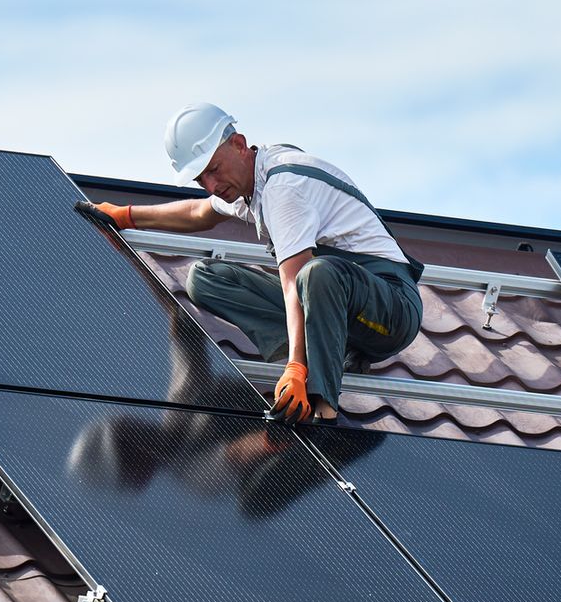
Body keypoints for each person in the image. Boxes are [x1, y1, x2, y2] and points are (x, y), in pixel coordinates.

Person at [81, 104, 424, 423]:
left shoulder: (283, 187)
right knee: (204, 279)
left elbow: (293, 283)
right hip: (336, 304)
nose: (212, 186)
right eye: (201, 179)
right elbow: (198, 213)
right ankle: (315, 351)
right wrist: (126, 216)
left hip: (389, 309)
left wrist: (297, 367)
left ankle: (322, 406)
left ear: (239, 144)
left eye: (213, 170)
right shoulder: (250, 183)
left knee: (316, 273)